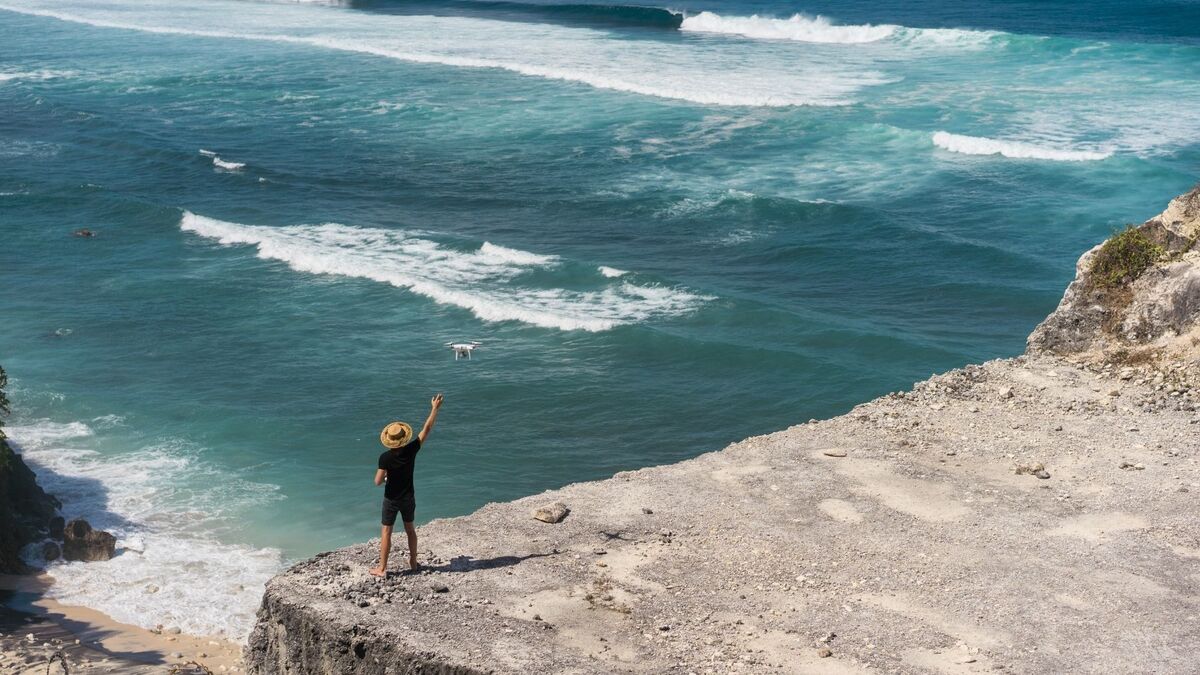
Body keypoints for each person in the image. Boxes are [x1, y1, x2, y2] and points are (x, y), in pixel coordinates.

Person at [370, 393, 443, 577]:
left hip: (391, 499)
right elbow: (426, 429)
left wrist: (387, 477)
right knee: (410, 530)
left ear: (389, 440)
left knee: (386, 532)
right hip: (408, 497)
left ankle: (382, 568)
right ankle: (413, 562)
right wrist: (434, 408)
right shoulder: (411, 450)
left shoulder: (385, 458)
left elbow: (377, 481)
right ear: (403, 438)